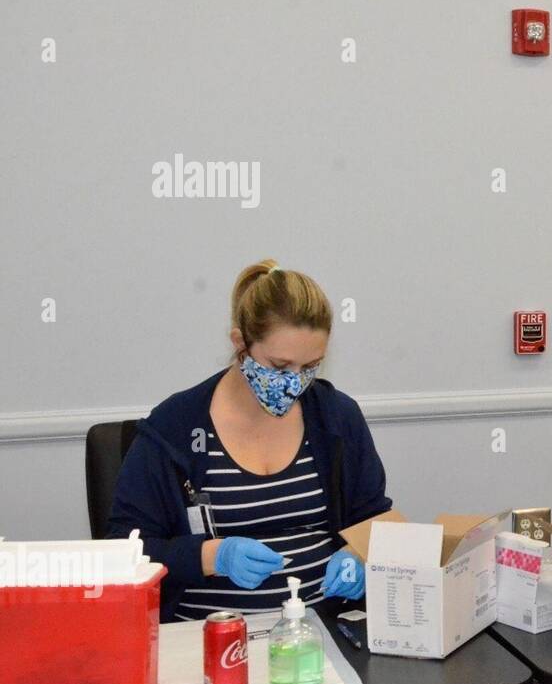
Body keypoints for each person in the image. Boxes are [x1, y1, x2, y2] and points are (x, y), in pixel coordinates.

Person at [108, 259, 394, 623]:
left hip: (320, 633)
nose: (295, 382)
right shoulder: (176, 427)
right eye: (279, 366)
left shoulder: (336, 417)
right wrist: (213, 556)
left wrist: (360, 553)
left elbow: (377, 517)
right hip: (208, 640)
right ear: (240, 343)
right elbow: (123, 550)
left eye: (310, 367)